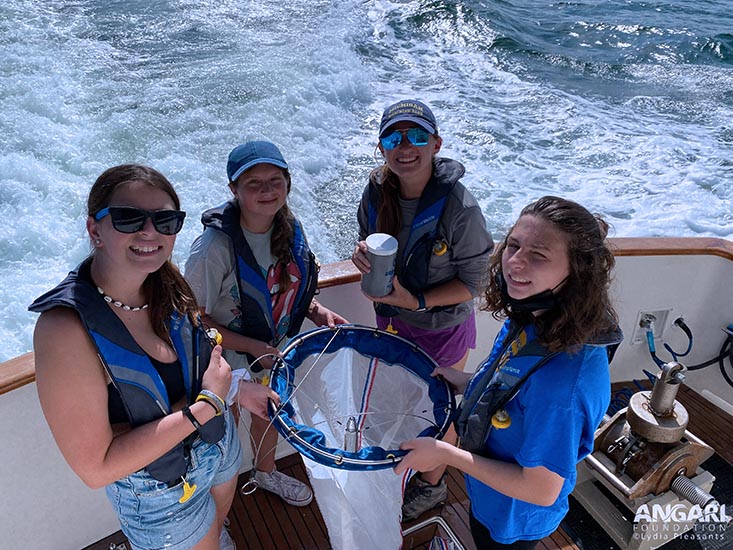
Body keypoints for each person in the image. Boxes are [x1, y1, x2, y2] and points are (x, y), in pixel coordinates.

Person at [29, 164, 278, 550]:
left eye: (165, 220)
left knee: (218, 526)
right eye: (129, 218)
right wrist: (211, 402)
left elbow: (199, 358)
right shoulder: (64, 330)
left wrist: (238, 391)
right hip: (159, 489)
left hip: (216, 446)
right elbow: (97, 469)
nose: (150, 232)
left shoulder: (167, 284)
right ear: (95, 229)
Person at [395, 196, 622, 549]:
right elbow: (516, 388)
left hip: (513, 517)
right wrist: (470, 382)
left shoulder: (563, 387)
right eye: (513, 245)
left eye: (539, 255)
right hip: (489, 495)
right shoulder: (537, 314)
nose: (514, 263)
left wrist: (445, 454)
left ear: (577, 272)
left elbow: (540, 489)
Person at [351, 99, 493, 519]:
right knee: (399, 395)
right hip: (391, 321)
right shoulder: (377, 190)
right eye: (394, 137)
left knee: (441, 408)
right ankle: (408, 459)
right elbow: (366, 237)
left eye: (416, 135)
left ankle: (432, 486)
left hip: (441, 329)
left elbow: (474, 283)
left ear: (436, 143)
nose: (405, 146)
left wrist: (414, 300)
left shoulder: (460, 209)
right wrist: (362, 256)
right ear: (381, 147)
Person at [185, 140, 347, 507]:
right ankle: (215, 515)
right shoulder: (213, 248)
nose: (266, 190)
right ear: (233, 190)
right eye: (253, 183)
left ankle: (265, 472)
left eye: (275, 180)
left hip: (271, 354)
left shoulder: (290, 229)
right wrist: (251, 347)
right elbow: (193, 318)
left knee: (270, 416)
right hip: (223, 362)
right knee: (219, 438)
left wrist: (317, 312)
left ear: (288, 184)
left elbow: (286, 288)